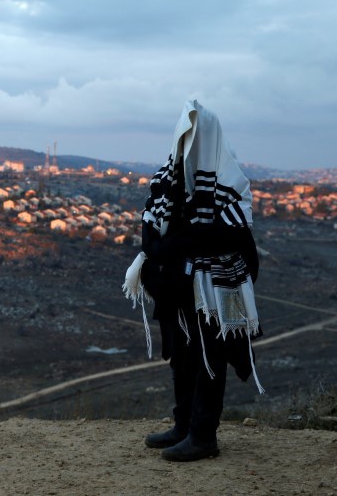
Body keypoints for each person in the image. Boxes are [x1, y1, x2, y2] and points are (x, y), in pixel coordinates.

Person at [122, 99, 263, 462]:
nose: (189, 146)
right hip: (178, 286)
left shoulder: (230, 182)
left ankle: (203, 436)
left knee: (210, 356)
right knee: (182, 354)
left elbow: (229, 235)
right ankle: (183, 425)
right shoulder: (167, 180)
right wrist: (167, 250)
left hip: (215, 289)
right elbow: (151, 230)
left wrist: (173, 247)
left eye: (194, 137)